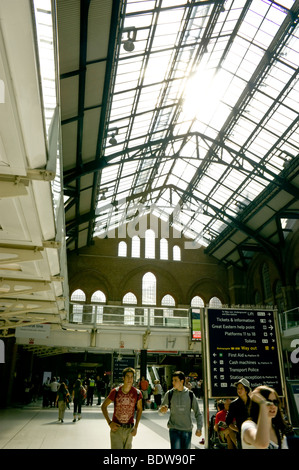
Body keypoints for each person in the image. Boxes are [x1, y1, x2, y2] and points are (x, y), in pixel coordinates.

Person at [159, 370, 203, 449]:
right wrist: (162, 410)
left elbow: (198, 412)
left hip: (187, 430)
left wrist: (199, 428)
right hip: (174, 429)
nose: (173, 382)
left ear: (182, 381)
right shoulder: (169, 394)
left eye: (175, 380)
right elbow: (160, 412)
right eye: (172, 380)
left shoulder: (190, 394)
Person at [101, 367, 143, 449]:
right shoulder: (115, 392)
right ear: (123, 378)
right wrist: (109, 422)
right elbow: (103, 406)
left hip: (129, 429)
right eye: (127, 376)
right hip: (117, 429)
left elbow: (139, 409)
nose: (129, 379)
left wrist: (136, 427)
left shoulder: (137, 393)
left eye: (131, 377)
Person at [225, 377, 251, 448]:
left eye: (241, 388)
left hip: (254, 435)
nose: (239, 390)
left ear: (246, 390)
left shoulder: (254, 403)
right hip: (241, 437)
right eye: (238, 388)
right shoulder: (234, 404)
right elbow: (228, 421)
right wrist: (238, 429)